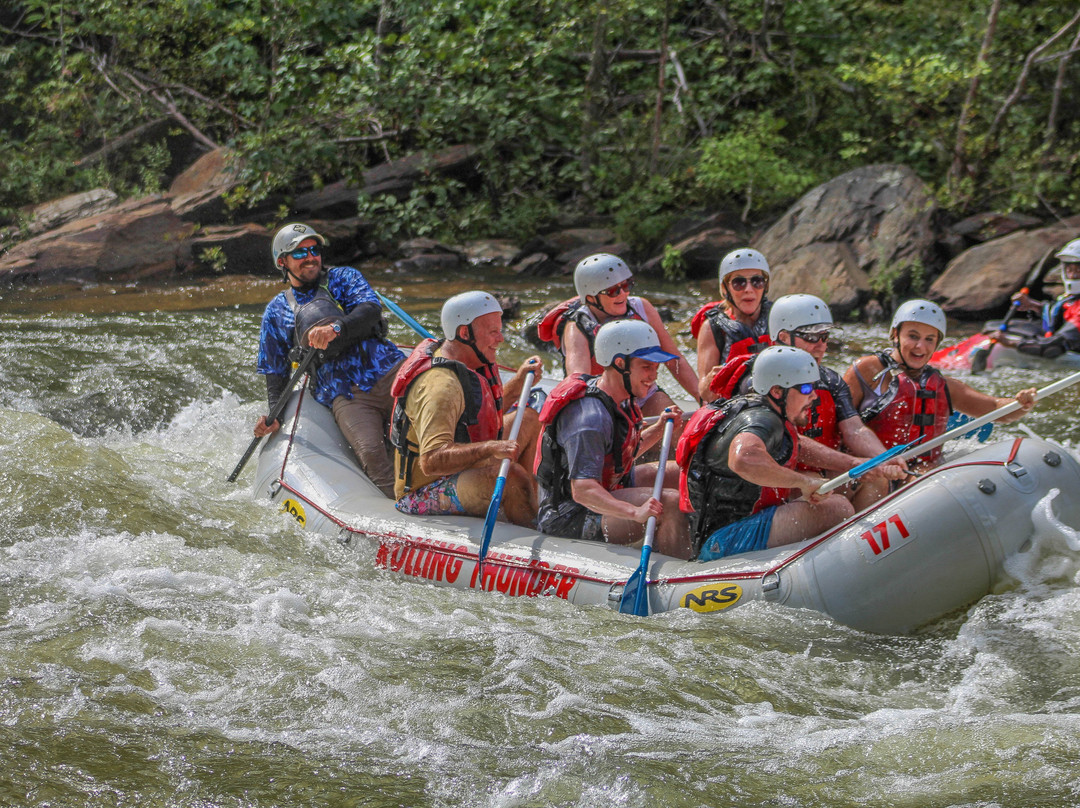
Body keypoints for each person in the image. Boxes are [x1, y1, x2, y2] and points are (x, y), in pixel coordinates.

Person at [706, 294, 907, 509]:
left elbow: (855, 430)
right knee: (830, 485)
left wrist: (884, 458)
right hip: (773, 480)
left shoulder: (831, 381)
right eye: (811, 337)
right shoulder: (759, 381)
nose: (821, 346)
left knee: (876, 479)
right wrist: (853, 463)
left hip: (817, 475)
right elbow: (791, 442)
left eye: (825, 336)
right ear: (783, 337)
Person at [255, 222, 404, 498]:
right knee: (371, 453)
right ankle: (402, 513)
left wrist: (336, 329)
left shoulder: (343, 278)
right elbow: (275, 372)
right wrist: (273, 414)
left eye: (314, 250)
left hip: (389, 372)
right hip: (345, 394)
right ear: (282, 262)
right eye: (299, 253)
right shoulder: (276, 312)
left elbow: (369, 310)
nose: (310, 257)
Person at [676, 346, 855, 560]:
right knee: (837, 508)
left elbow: (798, 446)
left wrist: (853, 463)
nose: (814, 396)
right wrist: (803, 483)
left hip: (717, 533)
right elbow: (743, 458)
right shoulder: (763, 420)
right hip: (722, 542)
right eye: (806, 389)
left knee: (818, 484)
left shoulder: (759, 411)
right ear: (777, 391)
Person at [534, 319, 690, 557]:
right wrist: (633, 512)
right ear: (620, 363)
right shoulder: (589, 419)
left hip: (608, 487)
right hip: (570, 514)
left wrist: (658, 428)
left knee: (680, 472)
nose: (653, 375)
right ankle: (677, 570)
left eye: (656, 367)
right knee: (668, 503)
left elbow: (622, 454)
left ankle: (693, 539)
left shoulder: (621, 398)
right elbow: (583, 491)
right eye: (646, 366)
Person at [390, 291, 543, 527]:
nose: (500, 339)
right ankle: (533, 532)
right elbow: (431, 461)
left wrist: (520, 381)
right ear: (465, 333)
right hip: (425, 491)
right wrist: (490, 448)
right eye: (493, 332)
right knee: (512, 475)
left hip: (464, 466)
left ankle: (526, 505)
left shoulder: (469, 360)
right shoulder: (441, 387)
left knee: (530, 419)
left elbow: (484, 412)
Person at [844, 299, 1038, 470]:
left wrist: (1021, 403)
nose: (921, 346)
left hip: (920, 473)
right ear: (896, 334)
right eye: (913, 336)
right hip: (873, 470)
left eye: (929, 339)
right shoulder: (868, 370)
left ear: (937, 344)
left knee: (924, 472)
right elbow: (839, 423)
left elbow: (996, 409)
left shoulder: (944, 387)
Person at [535, 253, 699, 416]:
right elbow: (578, 381)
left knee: (679, 433)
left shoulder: (642, 308)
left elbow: (675, 360)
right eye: (613, 291)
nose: (623, 294)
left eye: (626, 285)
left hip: (644, 394)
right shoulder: (576, 327)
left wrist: (702, 397)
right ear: (591, 298)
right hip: (601, 400)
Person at [692, 248, 773, 402]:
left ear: (765, 286)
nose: (749, 289)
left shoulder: (780, 319)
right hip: (731, 407)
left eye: (757, 281)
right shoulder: (712, 327)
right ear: (725, 288)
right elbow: (705, 393)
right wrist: (711, 380)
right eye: (739, 282)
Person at [1006, 237, 1080, 358]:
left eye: (1079, 270)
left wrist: (1009, 343)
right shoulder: (1072, 299)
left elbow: (1052, 349)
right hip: (1067, 346)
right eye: (1070, 270)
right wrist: (1033, 305)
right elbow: (1062, 315)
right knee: (999, 326)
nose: (1073, 275)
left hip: (1067, 354)